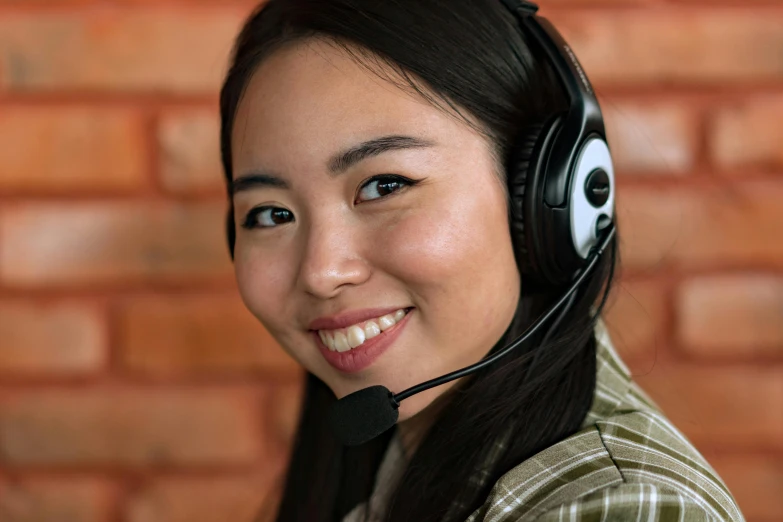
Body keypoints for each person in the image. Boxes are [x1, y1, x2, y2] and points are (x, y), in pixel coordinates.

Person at [219, 0, 745, 520]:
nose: (321, 272)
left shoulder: (617, 506)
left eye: (385, 185)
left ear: (541, 200)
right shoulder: (400, 462)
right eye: (270, 214)